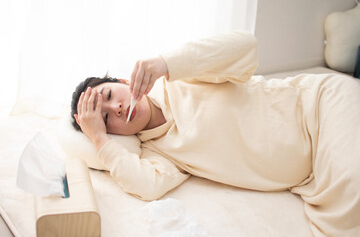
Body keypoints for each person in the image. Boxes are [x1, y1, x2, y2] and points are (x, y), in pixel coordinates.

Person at [71, 31, 360, 236]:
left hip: (322, 107)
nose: (118, 108)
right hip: (314, 177)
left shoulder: (179, 78)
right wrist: (98, 137)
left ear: (123, 81)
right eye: (107, 118)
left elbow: (245, 47)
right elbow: (147, 186)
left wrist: (164, 63)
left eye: (109, 94)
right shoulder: (158, 154)